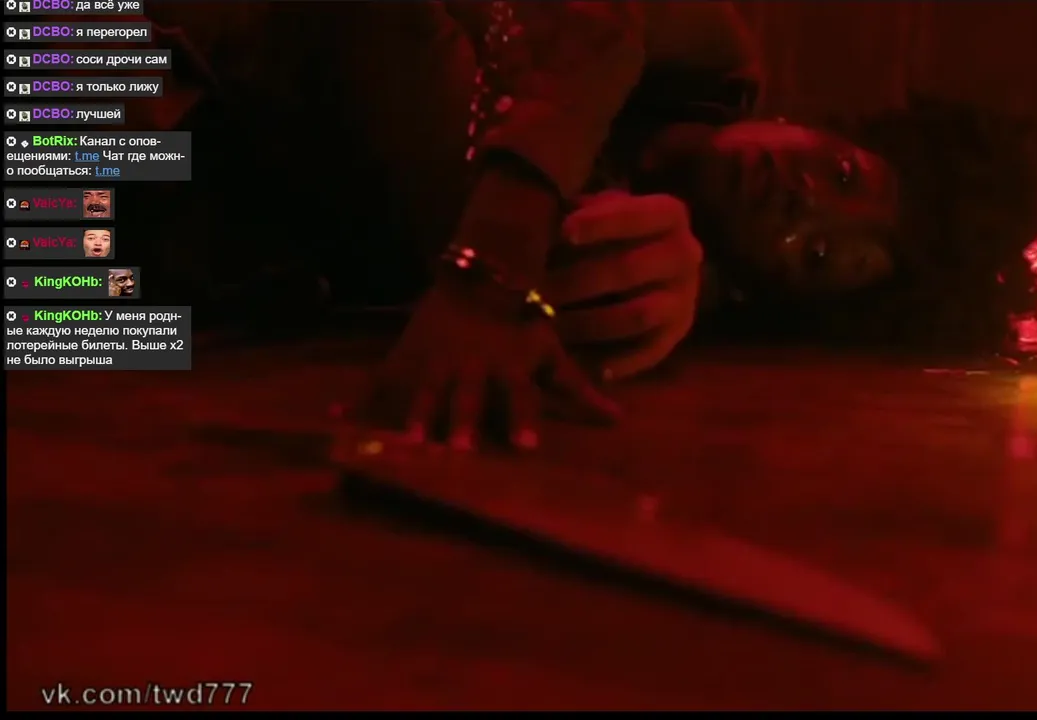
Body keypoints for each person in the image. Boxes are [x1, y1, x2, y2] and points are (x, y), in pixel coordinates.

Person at [130, 1, 900, 450]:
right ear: (811, 124)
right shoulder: (704, 49)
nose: (802, 199)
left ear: (768, 296)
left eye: (819, 253)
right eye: (842, 175)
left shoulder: (627, 280)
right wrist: (502, 245)